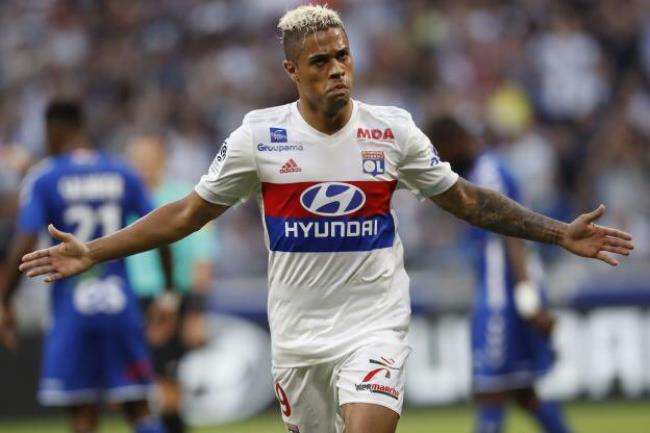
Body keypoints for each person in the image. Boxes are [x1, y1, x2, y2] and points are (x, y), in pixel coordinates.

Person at [18, 6, 633, 433]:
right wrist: (94, 251)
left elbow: (468, 200)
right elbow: (186, 214)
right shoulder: (260, 137)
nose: (337, 68)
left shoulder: (391, 131)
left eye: (343, 56)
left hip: (374, 325)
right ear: (292, 71)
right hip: (298, 338)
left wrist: (559, 232)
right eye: (320, 62)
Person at [0, 100, 168, 433]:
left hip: (72, 311)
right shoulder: (123, 171)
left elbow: (24, 241)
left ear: (52, 131)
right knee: (139, 410)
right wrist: (168, 294)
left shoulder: (45, 176)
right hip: (120, 308)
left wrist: (5, 302)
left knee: (83, 417)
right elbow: (160, 229)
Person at [428, 116, 571, 433]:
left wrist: (528, 300)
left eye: (442, 152)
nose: (443, 161)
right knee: (523, 392)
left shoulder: (488, 173)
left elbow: (512, 238)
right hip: (503, 291)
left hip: (503, 296)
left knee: (489, 390)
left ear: (454, 142)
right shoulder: (486, 170)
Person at [125, 134, 216, 433]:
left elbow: (202, 260)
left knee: (166, 384)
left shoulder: (184, 198)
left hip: (168, 300)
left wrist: (195, 311)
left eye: (148, 159)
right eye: (136, 160)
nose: (141, 166)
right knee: (130, 387)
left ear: (162, 161)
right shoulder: (122, 199)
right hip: (127, 302)